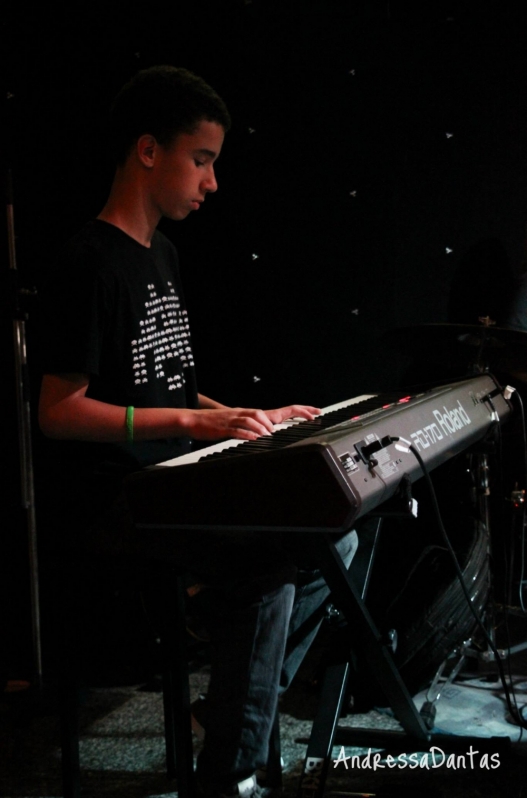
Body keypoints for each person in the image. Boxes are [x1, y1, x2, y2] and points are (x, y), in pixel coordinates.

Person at [38, 65, 356, 798]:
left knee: (335, 536)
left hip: (175, 483)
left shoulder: (163, 254)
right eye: (201, 159)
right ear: (148, 150)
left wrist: (251, 418)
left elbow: (169, 388)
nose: (210, 183)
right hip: (117, 499)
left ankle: (226, 715)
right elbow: (58, 412)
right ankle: (228, 771)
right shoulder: (87, 263)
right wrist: (195, 419)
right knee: (273, 562)